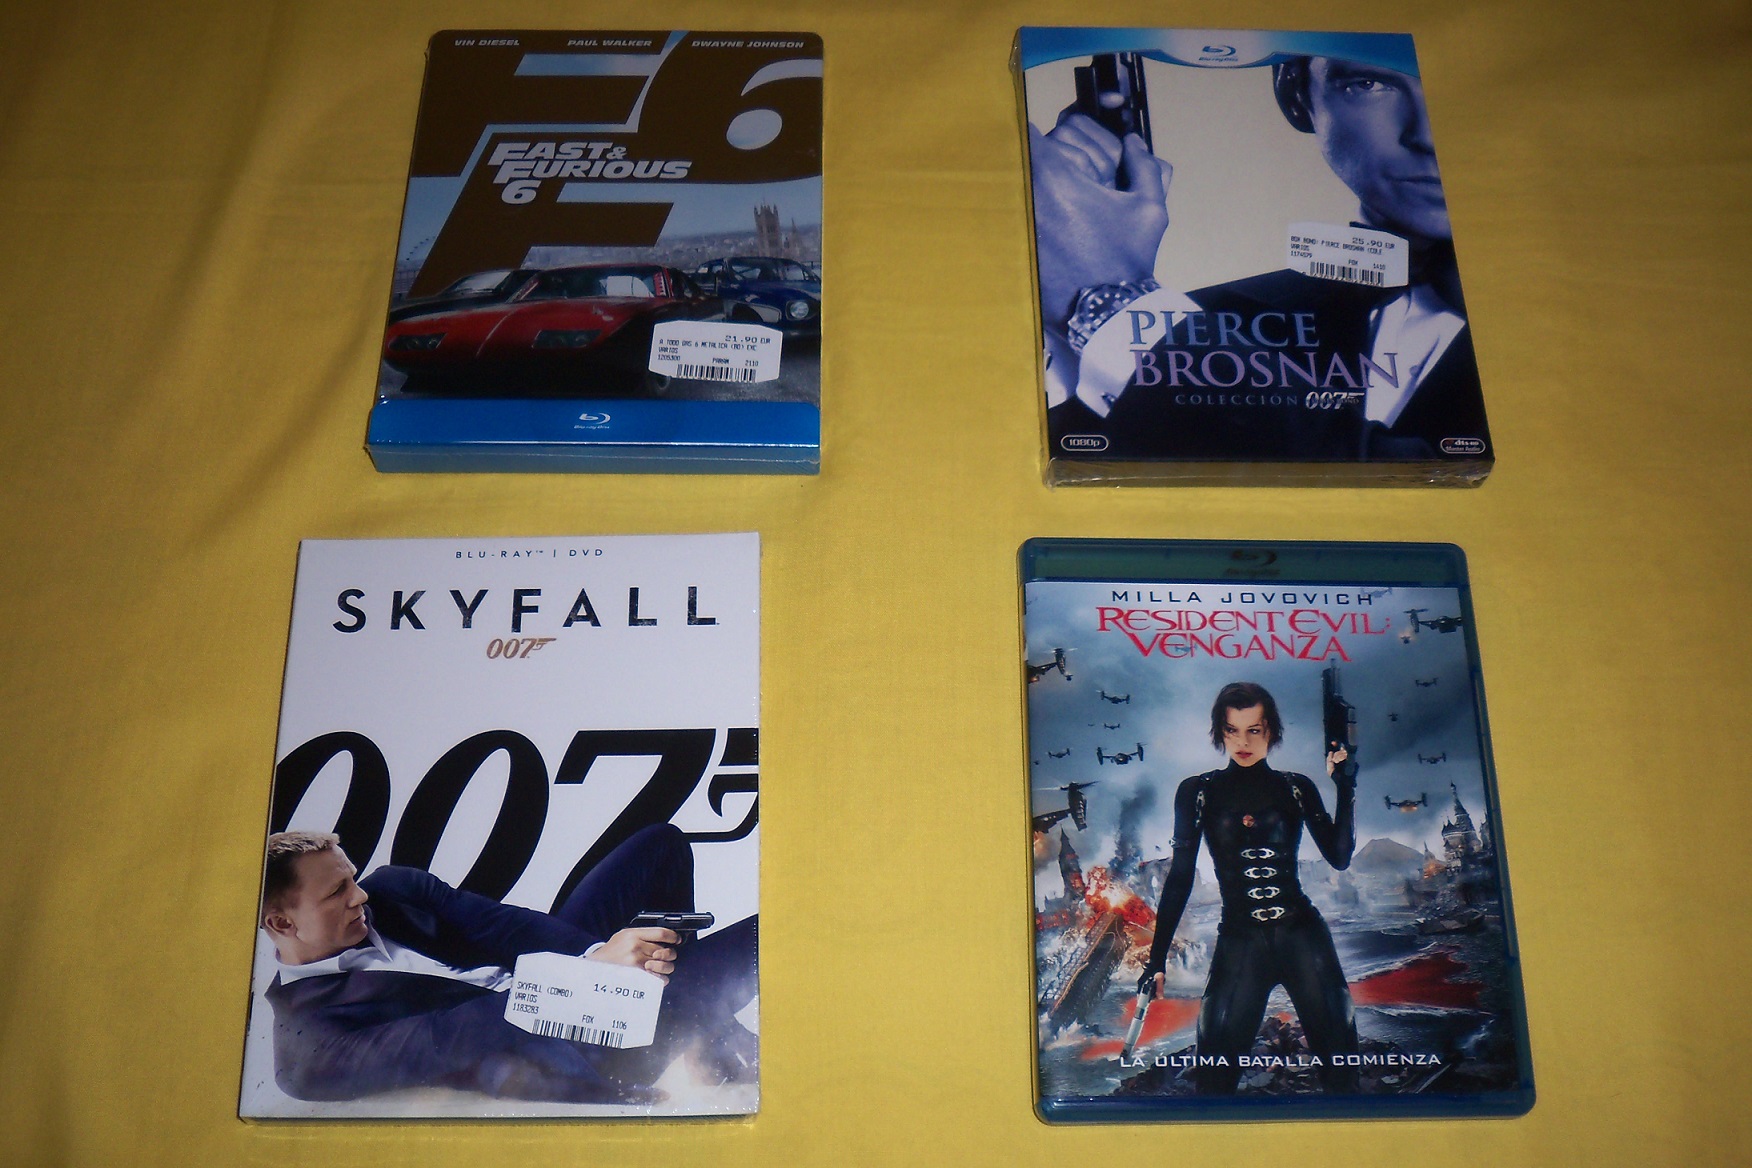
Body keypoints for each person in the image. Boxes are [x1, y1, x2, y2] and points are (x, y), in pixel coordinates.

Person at [1031, 54, 1489, 462]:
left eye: (1463, 90)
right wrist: (1062, 296)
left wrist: (1107, 300)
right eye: (1369, 84)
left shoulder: (1159, 326)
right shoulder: (1208, 318)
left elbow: (1402, 496)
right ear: (1295, 95)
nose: (1428, 136)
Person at [257, 825, 756, 1103]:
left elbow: (503, 927)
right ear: (282, 923)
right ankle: (701, 1031)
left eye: (351, 877)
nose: (359, 895)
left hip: (549, 979)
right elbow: (454, 1034)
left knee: (660, 846)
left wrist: (595, 956)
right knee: (770, 933)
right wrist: (591, 978)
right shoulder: (309, 1049)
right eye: (336, 892)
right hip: (567, 1048)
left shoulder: (391, 890)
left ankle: (709, 1046)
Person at [1139, 682, 1358, 1093]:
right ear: (1219, 732)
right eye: (1232, 730)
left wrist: (1346, 788)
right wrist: (1156, 961)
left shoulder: (1296, 786)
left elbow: (1340, 856)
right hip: (1240, 940)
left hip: (1302, 936)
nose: (1242, 742)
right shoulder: (1197, 791)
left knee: (1342, 1064)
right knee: (1214, 1073)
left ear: (1271, 730)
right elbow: (1180, 877)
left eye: (1254, 730)